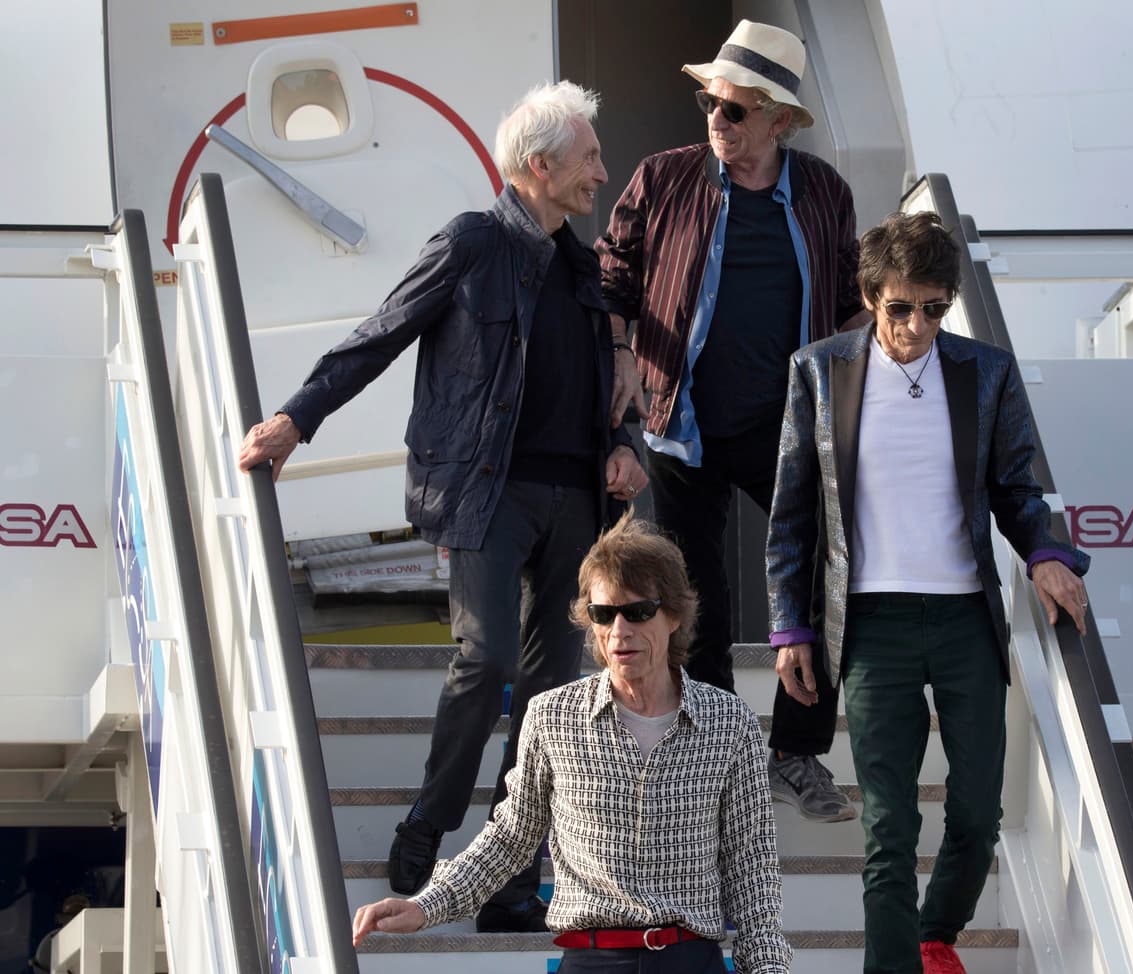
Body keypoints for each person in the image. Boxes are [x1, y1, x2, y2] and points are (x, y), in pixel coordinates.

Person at [238, 80, 647, 933]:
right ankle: (430, 818)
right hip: (485, 493)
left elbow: (613, 390)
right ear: (540, 166)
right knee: (487, 658)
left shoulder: (584, 268)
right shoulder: (470, 243)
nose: (602, 174)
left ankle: (509, 879)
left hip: (574, 500)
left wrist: (626, 446)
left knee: (550, 696)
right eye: (589, 158)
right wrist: (296, 419)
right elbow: (381, 333)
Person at [765, 211, 1090, 974]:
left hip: (964, 619)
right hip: (870, 624)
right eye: (901, 307)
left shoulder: (986, 371)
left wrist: (1045, 553)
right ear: (870, 296)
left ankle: (934, 933)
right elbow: (793, 511)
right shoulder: (819, 370)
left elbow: (1016, 486)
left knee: (977, 814)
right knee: (890, 828)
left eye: (936, 308)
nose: (918, 325)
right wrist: (790, 628)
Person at [597, 19, 863, 823]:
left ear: (779, 121)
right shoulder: (664, 176)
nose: (718, 118)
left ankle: (796, 752)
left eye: (736, 109)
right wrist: (620, 354)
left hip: (787, 427)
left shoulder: (824, 192)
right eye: (711, 102)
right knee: (694, 597)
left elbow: (852, 297)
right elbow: (611, 271)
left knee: (824, 575)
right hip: (680, 423)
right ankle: (714, 754)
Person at [351, 514, 791, 974]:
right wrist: (426, 905)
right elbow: (509, 839)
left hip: (690, 958)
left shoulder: (728, 722)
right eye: (604, 614)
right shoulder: (552, 716)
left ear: (674, 615)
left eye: (638, 611)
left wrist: (768, 967)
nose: (619, 631)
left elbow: (752, 868)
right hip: (590, 958)